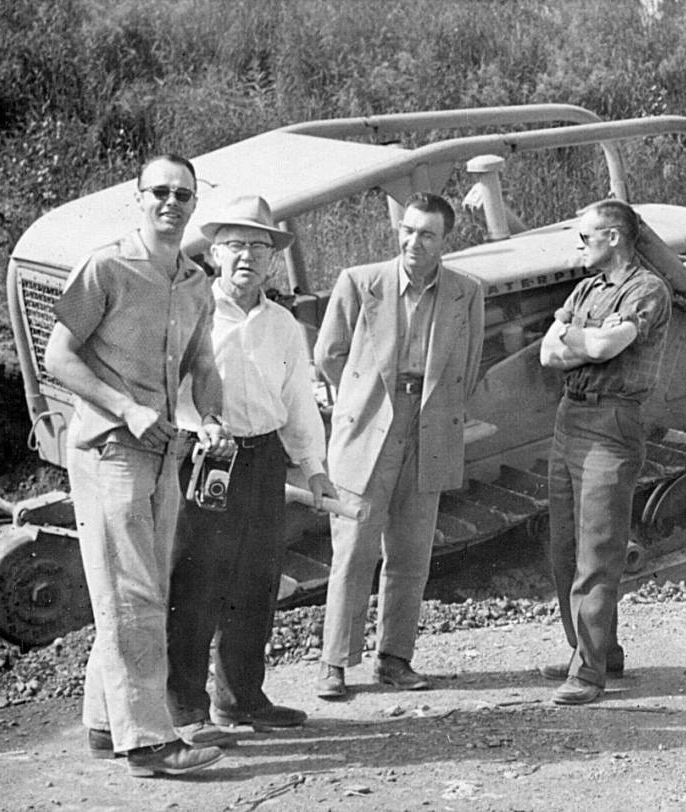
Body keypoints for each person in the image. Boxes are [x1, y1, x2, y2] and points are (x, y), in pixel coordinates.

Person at [44, 155, 233, 777]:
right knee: (131, 593)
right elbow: (60, 357)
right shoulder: (106, 266)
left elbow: (202, 365)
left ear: (194, 202)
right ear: (137, 197)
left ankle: (107, 724)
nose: (170, 203)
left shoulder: (195, 281)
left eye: (182, 193)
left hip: (164, 451)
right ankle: (149, 742)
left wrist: (209, 416)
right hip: (108, 448)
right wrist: (125, 408)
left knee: (139, 587)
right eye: (159, 192)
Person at [165, 195, 336, 740]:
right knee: (194, 583)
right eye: (236, 245)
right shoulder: (190, 310)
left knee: (255, 582)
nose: (247, 257)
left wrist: (313, 468)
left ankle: (241, 699)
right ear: (214, 253)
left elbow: (298, 401)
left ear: (272, 260)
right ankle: (186, 709)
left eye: (259, 247)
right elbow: (168, 385)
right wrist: (195, 424)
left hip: (263, 460)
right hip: (202, 458)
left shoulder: (283, 324)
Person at [312, 193, 484, 699]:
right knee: (354, 550)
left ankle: (395, 659)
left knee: (411, 553)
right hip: (368, 428)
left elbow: (467, 366)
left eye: (426, 234)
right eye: (407, 231)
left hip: (429, 428)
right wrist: (363, 402)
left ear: (445, 240)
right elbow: (329, 354)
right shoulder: (360, 282)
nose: (413, 242)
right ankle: (334, 663)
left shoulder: (465, 292)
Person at [538, 199, 673, 705]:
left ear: (613, 237)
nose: (580, 246)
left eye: (586, 237)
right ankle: (593, 650)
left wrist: (577, 338)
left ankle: (590, 670)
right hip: (569, 417)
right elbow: (548, 354)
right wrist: (584, 339)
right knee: (564, 547)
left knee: (597, 548)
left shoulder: (647, 289)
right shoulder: (587, 288)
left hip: (612, 421)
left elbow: (601, 350)